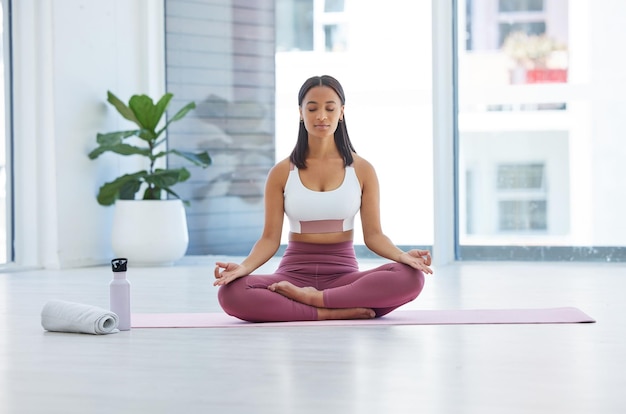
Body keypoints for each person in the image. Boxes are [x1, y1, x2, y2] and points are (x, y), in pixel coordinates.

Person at [214, 75, 432, 322]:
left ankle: (314, 301)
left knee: (411, 277)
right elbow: (268, 239)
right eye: (312, 108)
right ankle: (331, 311)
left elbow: (374, 236)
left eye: (330, 108)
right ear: (300, 113)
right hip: (292, 277)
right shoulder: (282, 173)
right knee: (231, 293)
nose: (321, 116)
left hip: (343, 277)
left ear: (341, 112)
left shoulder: (362, 170)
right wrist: (243, 268)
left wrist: (401, 256)